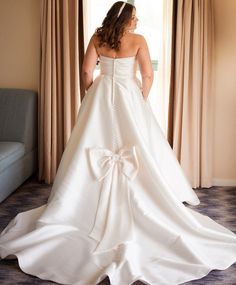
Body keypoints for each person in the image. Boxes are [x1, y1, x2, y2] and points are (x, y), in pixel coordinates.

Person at [0, 2, 236, 285]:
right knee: (140, 147)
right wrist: (142, 98)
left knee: (88, 145)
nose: (136, 22)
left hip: (101, 94)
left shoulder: (98, 37)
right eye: (134, 18)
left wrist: (90, 95)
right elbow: (148, 74)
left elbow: (87, 72)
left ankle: (79, 204)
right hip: (129, 96)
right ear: (125, 19)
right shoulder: (138, 41)